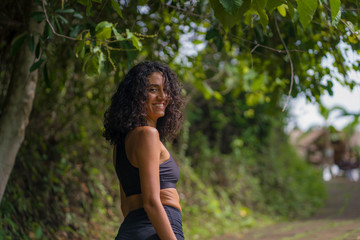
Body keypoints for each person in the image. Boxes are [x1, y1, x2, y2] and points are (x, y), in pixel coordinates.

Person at [103, 61, 185, 240]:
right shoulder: (148, 134)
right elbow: (151, 202)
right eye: (153, 90)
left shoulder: (121, 144)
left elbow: (126, 206)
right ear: (136, 96)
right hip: (156, 230)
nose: (163, 96)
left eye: (166, 90)